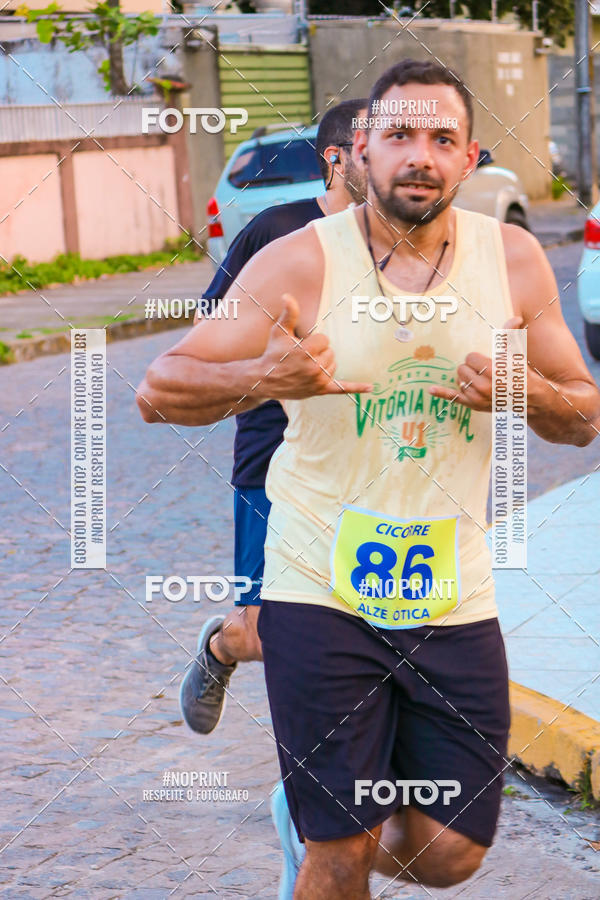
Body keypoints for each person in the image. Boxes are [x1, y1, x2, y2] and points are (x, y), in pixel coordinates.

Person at [142, 58, 600, 898]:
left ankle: (310, 816)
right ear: (361, 150)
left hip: (451, 593)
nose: (420, 154)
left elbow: (584, 413)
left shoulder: (513, 259)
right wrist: (265, 378)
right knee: (341, 847)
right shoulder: (297, 260)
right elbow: (159, 387)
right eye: (399, 135)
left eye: (443, 139)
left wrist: (526, 391)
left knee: (452, 853)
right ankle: (324, 826)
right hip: (318, 584)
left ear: (470, 159)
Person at [137, 98, 368, 736]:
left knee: (367, 621)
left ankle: (332, 769)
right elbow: (206, 333)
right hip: (273, 455)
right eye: (376, 145)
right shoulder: (278, 231)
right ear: (337, 158)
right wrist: (268, 369)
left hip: (368, 458)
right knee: (269, 629)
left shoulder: (402, 241)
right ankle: (223, 646)